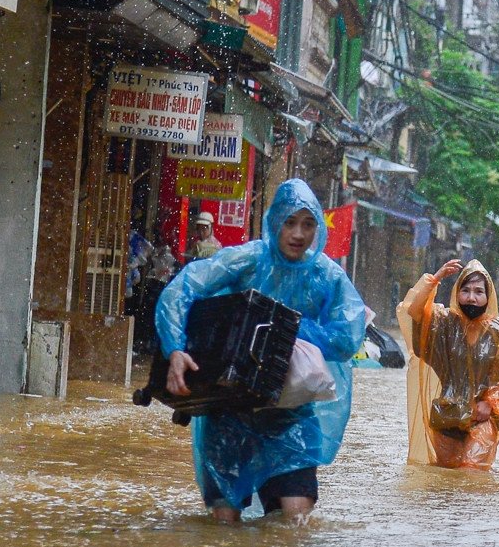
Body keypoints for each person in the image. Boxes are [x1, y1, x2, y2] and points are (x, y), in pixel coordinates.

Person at [155, 180, 368, 523]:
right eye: (290, 222)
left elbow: (347, 337)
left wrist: (289, 325)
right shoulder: (249, 259)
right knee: (223, 525)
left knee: (294, 520)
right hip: (229, 409)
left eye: (308, 224)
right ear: (274, 222)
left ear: (318, 227)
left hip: (289, 414)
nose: (299, 234)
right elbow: (182, 289)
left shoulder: (326, 276)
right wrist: (175, 348)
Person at [398, 258, 499, 470]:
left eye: (479, 292)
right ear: (456, 294)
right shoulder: (444, 323)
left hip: (483, 418)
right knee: (447, 479)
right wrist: (436, 278)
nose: (471, 298)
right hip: (448, 415)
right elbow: (414, 311)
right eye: (466, 291)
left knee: (472, 473)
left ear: (488, 297)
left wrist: (489, 402)